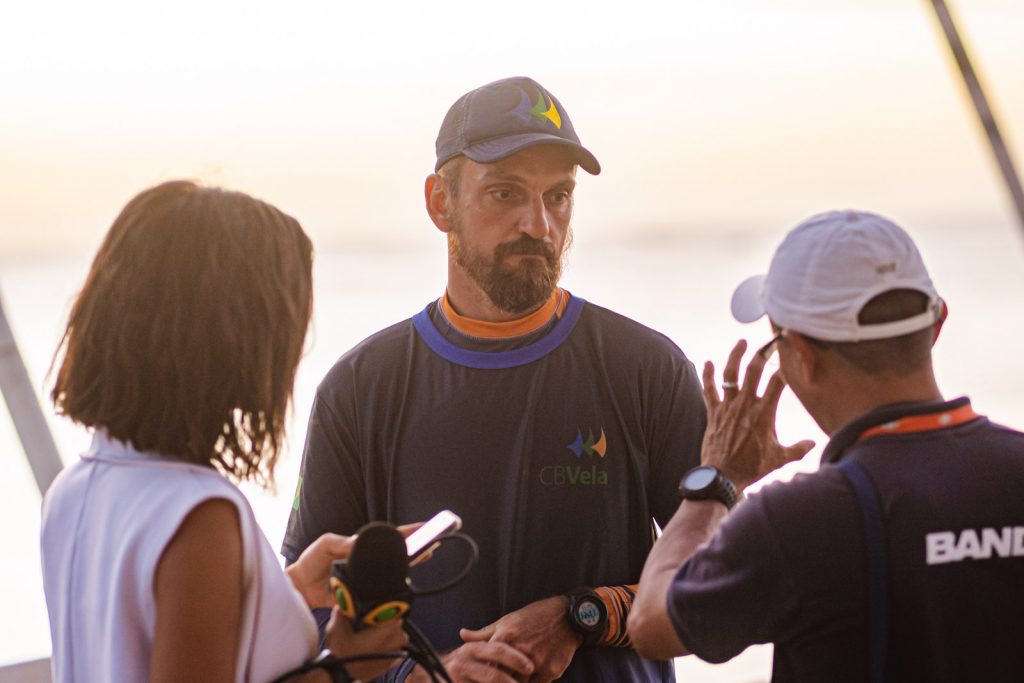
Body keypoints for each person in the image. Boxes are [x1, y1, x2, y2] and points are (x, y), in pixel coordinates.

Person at [282, 76, 706, 682]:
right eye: (505, 193)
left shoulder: (647, 370)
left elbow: (717, 590)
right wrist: (429, 676)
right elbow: (309, 614)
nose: (537, 224)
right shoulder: (358, 388)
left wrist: (580, 615)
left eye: (558, 197)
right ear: (440, 202)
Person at [629, 210, 1024, 682]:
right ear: (937, 323)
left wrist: (718, 477)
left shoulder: (802, 521)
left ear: (804, 356)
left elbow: (651, 623)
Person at [40, 181, 407, 682]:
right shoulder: (200, 515)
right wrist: (346, 664)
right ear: (237, 340)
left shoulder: (74, 488)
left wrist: (284, 593)